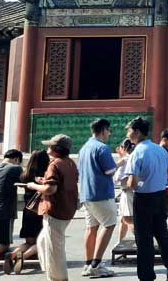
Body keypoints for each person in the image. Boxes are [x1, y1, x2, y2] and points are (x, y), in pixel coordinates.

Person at [125, 117, 168, 281]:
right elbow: (167, 173)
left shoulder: (137, 153)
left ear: (136, 132)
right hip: (161, 197)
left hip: (144, 199)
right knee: (163, 235)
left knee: (144, 240)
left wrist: (129, 184)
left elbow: (132, 182)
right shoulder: (160, 150)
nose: (127, 134)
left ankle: (146, 276)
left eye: (129, 131)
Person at [26, 135, 79, 281]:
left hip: (55, 209)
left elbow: (50, 189)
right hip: (68, 207)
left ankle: (58, 277)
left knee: (54, 247)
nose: (47, 148)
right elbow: (61, 183)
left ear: (55, 149)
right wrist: (45, 181)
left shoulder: (54, 165)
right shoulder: (70, 163)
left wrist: (34, 185)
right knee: (43, 241)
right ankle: (50, 271)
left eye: (50, 146)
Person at [77, 118, 118, 278]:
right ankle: (96, 264)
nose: (109, 133)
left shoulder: (84, 148)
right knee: (109, 224)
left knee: (91, 227)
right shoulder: (102, 148)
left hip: (86, 193)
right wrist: (121, 162)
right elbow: (110, 171)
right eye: (108, 130)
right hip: (101, 193)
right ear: (103, 130)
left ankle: (88, 264)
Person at [4, 149, 50, 275]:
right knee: (43, 240)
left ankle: (12, 255)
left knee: (29, 241)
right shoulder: (46, 173)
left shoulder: (25, 174)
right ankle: (22, 257)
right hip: (41, 210)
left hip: (28, 210)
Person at [113, 139, 135, 243]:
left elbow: (115, 175)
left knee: (128, 219)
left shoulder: (125, 159)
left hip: (128, 191)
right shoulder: (133, 157)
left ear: (124, 148)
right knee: (123, 219)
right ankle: (120, 241)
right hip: (129, 191)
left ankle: (143, 240)